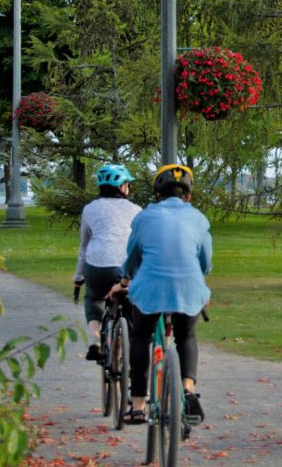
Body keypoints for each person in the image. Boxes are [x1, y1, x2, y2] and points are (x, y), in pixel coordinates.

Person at [114, 164, 212, 425]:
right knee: (186, 335)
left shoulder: (145, 217)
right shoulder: (199, 219)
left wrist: (123, 280)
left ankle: (137, 405)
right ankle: (188, 387)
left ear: (157, 193)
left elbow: (133, 256)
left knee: (141, 336)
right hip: (188, 288)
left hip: (150, 290)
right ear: (188, 195)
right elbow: (205, 261)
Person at [73, 164, 142, 361]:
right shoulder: (137, 210)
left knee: (93, 299)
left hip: (97, 267)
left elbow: (84, 246)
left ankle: (95, 340)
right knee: (129, 301)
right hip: (126, 268)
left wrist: (79, 277)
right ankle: (127, 346)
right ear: (123, 187)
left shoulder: (89, 209)